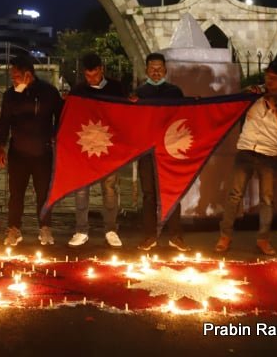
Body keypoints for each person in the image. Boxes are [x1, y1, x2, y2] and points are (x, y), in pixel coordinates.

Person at [215, 59, 277, 256]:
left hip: (269, 153)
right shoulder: (255, 93)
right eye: (268, 77)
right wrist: (245, 95)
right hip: (246, 149)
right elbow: (233, 107)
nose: (270, 82)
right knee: (234, 195)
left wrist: (274, 106)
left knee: (267, 200)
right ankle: (225, 236)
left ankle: (263, 239)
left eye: (275, 78)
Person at [0, 54, 63, 246]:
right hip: (18, 152)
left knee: (43, 193)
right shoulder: (10, 95)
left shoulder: (49, 92)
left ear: (28, 74)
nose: (13, 79)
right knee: (16, 193)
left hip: (43, 153)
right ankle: (14, 229)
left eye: (16, 75)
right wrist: (1, 147)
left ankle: (45, 228)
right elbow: (4, 122)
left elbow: (61, 116)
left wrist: (56, 136)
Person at [133, 52, 189, 252]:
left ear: (165, 70)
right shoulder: (139, 93)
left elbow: (184, 117)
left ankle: (176, 236)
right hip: (147, 151)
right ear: (146, 70)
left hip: (170, 151)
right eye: (152, 68)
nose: (156, 72)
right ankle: (149, 236)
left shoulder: (175, 92)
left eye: (159, 68)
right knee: (149, 195)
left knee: (172, 193)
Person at [69, 52, 126, 248]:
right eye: (88, 76)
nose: (91, 79)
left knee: (110, 189)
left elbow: (126, 115)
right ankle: (81, 230)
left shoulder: (116, 88)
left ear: (101, 70)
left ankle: (111, 229)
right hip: (84, 149)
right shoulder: (78, 90)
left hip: (109, 148)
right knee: (81, 190)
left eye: (94, 75)